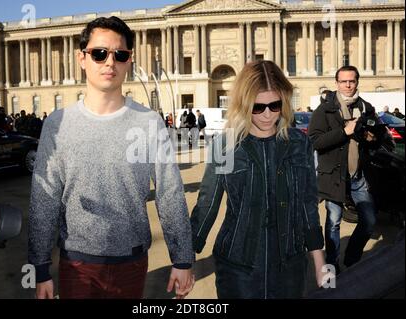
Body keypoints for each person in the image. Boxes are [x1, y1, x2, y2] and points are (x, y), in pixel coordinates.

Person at [28, 16, 195, 299]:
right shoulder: (57, 124)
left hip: (131, 261)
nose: (109, 62)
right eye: (99, 53)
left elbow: (170, 193)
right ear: (82, 58)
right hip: (76, 262)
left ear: (129, 60)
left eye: (120, 54)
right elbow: (44, 198)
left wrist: (182, 259)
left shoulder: (149, 122)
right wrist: (40, 267)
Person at [190, 60, 326, 299]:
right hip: (238, 269)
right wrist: (186, 260)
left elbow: (307, 205)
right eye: (257, 107)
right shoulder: (226, 145)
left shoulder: (298, 143)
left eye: (274, 106)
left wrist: (319, 261)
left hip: (290, 267)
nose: (267, 114)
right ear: (244, 104)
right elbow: (206, 205)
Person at [308, 65, 393, 274]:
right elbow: (315, 141)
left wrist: (372, 140)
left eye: (351, 81)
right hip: (334, 175)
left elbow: (379, 136)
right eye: (343, 81)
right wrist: (344, 131)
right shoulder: (325, 109)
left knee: (369, 220)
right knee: (334, 223)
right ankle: (332, 265)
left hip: (358, 175)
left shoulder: (366, 107)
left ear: (357, 82)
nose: (347, 85)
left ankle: (352, 258)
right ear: (336, 83)